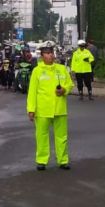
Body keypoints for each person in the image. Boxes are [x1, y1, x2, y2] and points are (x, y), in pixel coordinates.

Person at [27, 41, 73, 171]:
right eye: (47, 53)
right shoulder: (37, 71)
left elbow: (69, 84)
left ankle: (63, 160)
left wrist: (64, 90)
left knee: (62, 136)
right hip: (42, 110)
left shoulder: (61, 69)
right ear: (42, 56)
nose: (50, 55)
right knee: (41, 136)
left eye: (51, 53)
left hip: (60, 108)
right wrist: (31, 109)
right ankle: (41, 160)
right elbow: (32, 92)